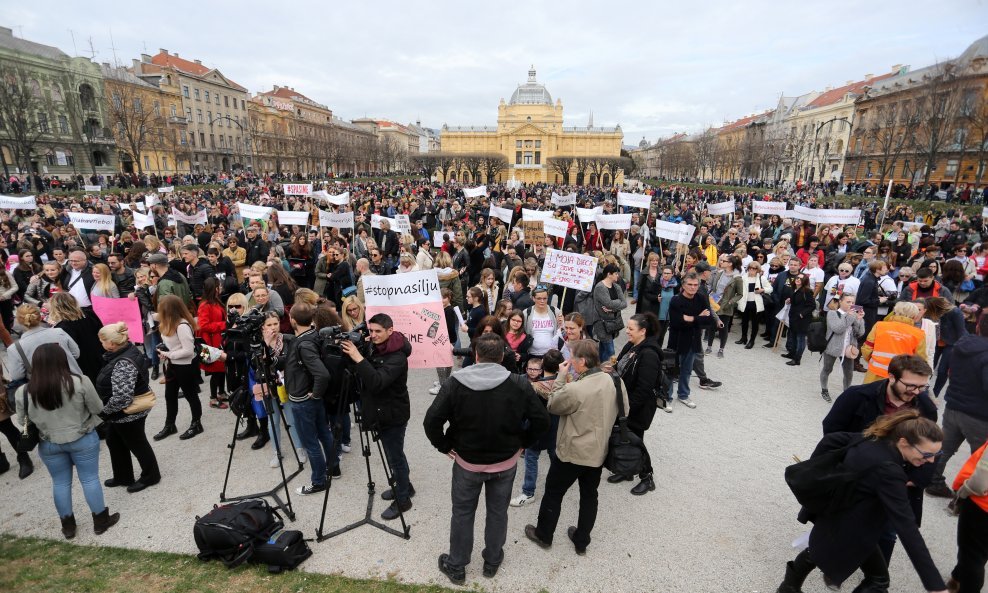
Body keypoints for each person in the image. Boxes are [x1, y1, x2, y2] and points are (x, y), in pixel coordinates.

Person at [424, 333, 550, 584]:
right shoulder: (518, 383)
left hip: (467, 463)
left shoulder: (454, 383)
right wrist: (522, 443)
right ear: (502, 357)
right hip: (504, 462)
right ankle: (492, 561)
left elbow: (431, 422)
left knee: (462, 513)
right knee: (497, 512)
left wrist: (445, 445)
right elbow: (542, 421)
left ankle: (457, 565)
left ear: (476, 356)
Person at [775, 410, 948, 593]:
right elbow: (907, 527)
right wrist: (935, 585)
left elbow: (833, 439)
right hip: (855, 528)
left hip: (837, 514)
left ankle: (788, 588)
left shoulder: (873, 439)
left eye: (937, 454)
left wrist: (820, 468)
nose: (931, 461)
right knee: (878, 580)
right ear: (904, 442)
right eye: (927, 455)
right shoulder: (890, 472)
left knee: (819, 549)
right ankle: (788, 588)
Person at [523, 339, 627, 555]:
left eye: (571, 357)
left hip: (572, 452)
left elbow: (553, 404)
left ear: (581, 361)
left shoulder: (576, 388)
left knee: (554, 493)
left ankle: (544, 534)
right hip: (598, 451)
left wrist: (560, 377)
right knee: (590, 495)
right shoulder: (614, 381)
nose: (569, 361)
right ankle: (582, 541)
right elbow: (624, 408)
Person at [14, 343, 120, 540]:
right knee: (89, 479)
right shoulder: (80, 382)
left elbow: (22, 421)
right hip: (82, 436)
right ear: (62, 360)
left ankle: (68, 526)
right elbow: (98, 408)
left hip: (49, 442)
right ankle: (100, 520)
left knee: (60, 483)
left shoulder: (24, 391)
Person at [340, 313, 413, 520]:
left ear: (390, 330)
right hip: (379, 411)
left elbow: (378, 382)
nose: (373, 335)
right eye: (371, 331)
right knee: (394, 453)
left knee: (394, 456)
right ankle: (405, 486)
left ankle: (403, 499)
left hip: (393, 414)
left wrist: (359, 357)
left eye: (378, 331)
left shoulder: (397, 356)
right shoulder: (375, 346)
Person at [94, 322, 160, 493]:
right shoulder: (127, 351)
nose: (100, 344)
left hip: (129, 411)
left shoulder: (123, 362)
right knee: (114, 440)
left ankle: (151, 475)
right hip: (121, 411)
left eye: (102, 340)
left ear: (112, 343)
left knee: (137, 442)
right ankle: (123, 475)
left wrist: (104, 412)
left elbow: (123, 397)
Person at [925, 324, 988, 500]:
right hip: (980, 415)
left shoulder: (962, 345)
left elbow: (949, 372)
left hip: (954, 405)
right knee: (981, 459)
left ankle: (933, 481)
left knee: (944, 448)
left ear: (978, 326)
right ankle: (970, 497)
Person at [279, 303, 336, 495]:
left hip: (304, 400)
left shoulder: (304, 344)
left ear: (292, 320)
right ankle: (333, 467)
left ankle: (318, 481)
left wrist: (315, 393)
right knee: (324, 433)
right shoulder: (313, 335)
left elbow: (323, 374)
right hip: (310, 397)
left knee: (310, 442)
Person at [608, 313, 662, 495]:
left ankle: (647, 477)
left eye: (631, 329)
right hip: (623, 403)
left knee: (636, 441)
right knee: (625, 438)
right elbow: (620, 368)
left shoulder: (649, 354)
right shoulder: (632, 345)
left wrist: (626, 411)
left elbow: (644, 388)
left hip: (637, 408)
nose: (627, 331)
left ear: (643, 331)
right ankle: (627, 470)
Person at [510, 350, 562, 507]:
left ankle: (528, 493)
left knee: (531, 459)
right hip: (556, 427)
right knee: (556, 458)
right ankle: (558, 486)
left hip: (536, 429)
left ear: (542, 365)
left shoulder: (533, 387)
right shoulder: (564, 382)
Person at [153, 295, 203, 441]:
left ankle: (197, 423)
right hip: (173, 364)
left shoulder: (182, 326)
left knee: (190, 395)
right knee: (170, 396)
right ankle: (170, 425)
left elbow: (188, 351)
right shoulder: (168, 321)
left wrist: (168, 354)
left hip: (185, 365)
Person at [668, 273, 714, 408]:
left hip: (693, 340)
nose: (693, 287)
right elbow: (677, 322)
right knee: (671, 370)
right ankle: (667, 396)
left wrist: (691, 318)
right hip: (677, 340)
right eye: (690, 284)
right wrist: (699, 317)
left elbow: (709, 320)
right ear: (683, 285)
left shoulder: (701, 298)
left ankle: (683, 395)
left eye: (695, 285)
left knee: (687, 370)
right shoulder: (676, 300)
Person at [949, 435, 988, 593]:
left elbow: (980, 482)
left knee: (972, 555)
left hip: (982, 506)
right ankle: (957, 577)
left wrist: (963, 492)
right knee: (981, 549)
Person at [46, 292, 105, 386]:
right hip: (99, 355)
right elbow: (101, 330)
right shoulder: (89, 313)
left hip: (82, 363)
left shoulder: (62, 327)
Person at [861, 302, 928, 384]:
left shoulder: (880, 326)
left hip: (875, 373)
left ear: (895, 312)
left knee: (869, 395)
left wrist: (871, 360)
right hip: (899, 377)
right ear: (914, 315)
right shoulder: (919, 334)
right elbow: (920, 359)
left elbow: (867, 348)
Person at [820, 293, 866, 402]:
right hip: (833, 347)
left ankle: (846, 393)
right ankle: (824, 389)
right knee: (827, 369)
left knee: (849, 372)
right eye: (848, 302)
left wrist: (859, 320)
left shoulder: (854, 315)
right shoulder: (832, 313)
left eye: (853, 302)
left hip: (849, 349)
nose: (851, 304)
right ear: (840, 301)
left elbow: (860, 333)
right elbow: (838, 329)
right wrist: (850, 316)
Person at [197, 277, 228, 409]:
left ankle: (221, 392)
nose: (220, 288)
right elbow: (203, 325)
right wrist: (223, 325)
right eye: (218, 286)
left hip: (218, 339)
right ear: (214, 288)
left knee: (221, 369)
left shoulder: (215, 301)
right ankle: (213, 398)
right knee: (215, 370)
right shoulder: (205, 305)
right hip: (210, 342)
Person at [590, 264, 627, 362]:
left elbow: (624, 304)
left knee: (603, 347)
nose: (617, 276)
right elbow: (608, 303)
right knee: (610, 351)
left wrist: (613, 309)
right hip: (602, 323)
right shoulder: (600, 287)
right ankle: (611, 369)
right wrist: (616, 305)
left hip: (613, 322)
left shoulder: (616, 286)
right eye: (615, 273)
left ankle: (601, 367)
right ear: (609, 274)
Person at [734, 261, 772, 349]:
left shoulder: (761, 278)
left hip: (756, 303)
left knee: (755, 323)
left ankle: (752, 340)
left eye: (754, 268)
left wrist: (762, 290)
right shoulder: (743, 278)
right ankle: (743, 338)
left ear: (757, 270)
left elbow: (770, 289)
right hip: (745, 302)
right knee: (744, 322)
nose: (752, 270)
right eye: (750, 268)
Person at [781, 273, 815, 366]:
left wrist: (802, 314)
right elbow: (798, 301)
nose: (798, 279)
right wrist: (790, 300)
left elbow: (812, 305)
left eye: (801, 278)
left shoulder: (807, 291)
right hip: (794, 317)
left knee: (800, 339)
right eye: (797, 278)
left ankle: (797, 359)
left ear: (804, 281)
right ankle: (792, 354)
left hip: (802, 319)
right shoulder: (794, 289)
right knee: (793, 337)